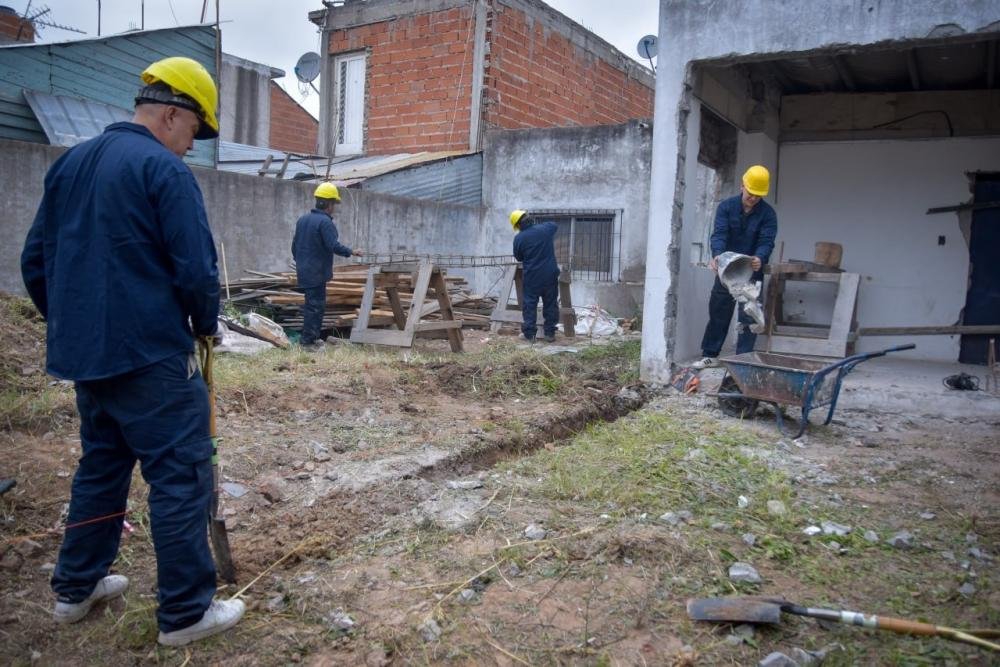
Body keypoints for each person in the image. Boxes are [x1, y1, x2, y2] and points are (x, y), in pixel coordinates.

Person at [20, 56, 244, 646]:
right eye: (194, 132)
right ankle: (186, 613)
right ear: (172, 115)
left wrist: (74, 326)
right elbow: (196, 266)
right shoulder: (162, 172)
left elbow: (34, 264)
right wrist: (203, 327)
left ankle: (76, 588)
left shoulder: (69, 164)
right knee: (179, 475)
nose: (192, 146)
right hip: (151, 357)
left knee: (102, 466)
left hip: (88, 357)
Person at [693, 165, 778, 369]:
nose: (754, 198)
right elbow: (719, 234)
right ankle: (710, 355)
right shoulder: (726, 207)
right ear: (742, 186)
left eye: (758, 195)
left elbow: (767, 240)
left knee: (748, 316)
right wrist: (717, 256)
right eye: (751, 193)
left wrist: (760, 256)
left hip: (751, 272)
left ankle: (743, 360)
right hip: (727, 271)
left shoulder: (768, 214)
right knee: (718, 312)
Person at [291, 183, 364, 348]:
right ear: (329, 204)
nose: (334, 207)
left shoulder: (302, 220)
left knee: (311, 305)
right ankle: (308, 342)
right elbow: (333, 246)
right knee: (316, 307)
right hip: (316, 272)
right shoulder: (325, 223)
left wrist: (302, 262)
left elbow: (294, 247)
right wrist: (352, 252)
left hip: (304, 270)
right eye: (334, 204)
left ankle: (310, 339)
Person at [510, 210, 560, 343]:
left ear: (518, 225)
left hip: (532, 275)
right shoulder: (545, 229)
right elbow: (554, 225)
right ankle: (549, 334)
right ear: (529, 219)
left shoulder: (519, 238)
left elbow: (519, 257)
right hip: (550, 274)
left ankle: (530, 335)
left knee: (530, 304)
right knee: (550, 302)